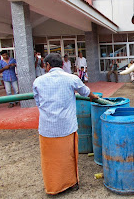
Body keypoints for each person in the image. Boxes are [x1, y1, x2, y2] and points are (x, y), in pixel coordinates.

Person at [33, 53, 99, 195]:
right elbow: (86, 92)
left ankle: (52, 187)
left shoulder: (38, 81)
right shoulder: (71, 79)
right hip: (66, 127)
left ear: (47, 65)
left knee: (50, 160)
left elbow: (38, 103)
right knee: (69, 157)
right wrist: (94, 97)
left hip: (47, 129)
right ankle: (71, 183)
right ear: (62, 65)